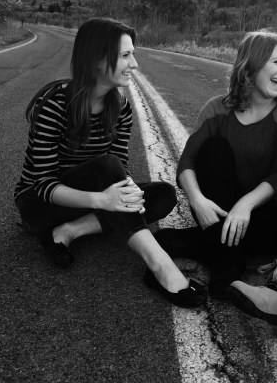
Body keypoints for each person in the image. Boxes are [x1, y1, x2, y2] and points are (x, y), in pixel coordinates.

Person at [14, 17, 206, 308]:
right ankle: (160, 265)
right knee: (107, 165)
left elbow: (121, 165)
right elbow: (41, 183)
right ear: (97, 60)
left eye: (133, 54)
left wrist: (129, 189)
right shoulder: (54, 105)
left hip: (88, 199)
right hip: (40, 204)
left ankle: (70, 231)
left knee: (163, 195)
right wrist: (102, 200)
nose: (135, 64)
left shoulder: (121, 108)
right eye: (126, 55)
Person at [154, 30, 277, 332]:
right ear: (251, 64)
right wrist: (197, 201)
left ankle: (201, 245)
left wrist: (246, 205)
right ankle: (228, 266)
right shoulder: (218, 107)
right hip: (213, 210)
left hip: (257, 212)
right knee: (215, 149)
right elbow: (187, 163)